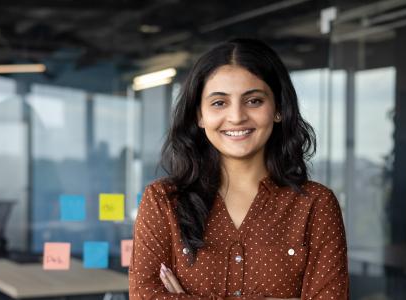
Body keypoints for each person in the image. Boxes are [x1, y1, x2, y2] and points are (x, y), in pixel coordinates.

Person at [128, 38, 349, 299]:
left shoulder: (315, 205)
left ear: (278, 108)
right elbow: (144, 294)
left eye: (254, 101)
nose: (236, 116)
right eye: (219, 103)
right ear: (199, 115)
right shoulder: (163, 201)